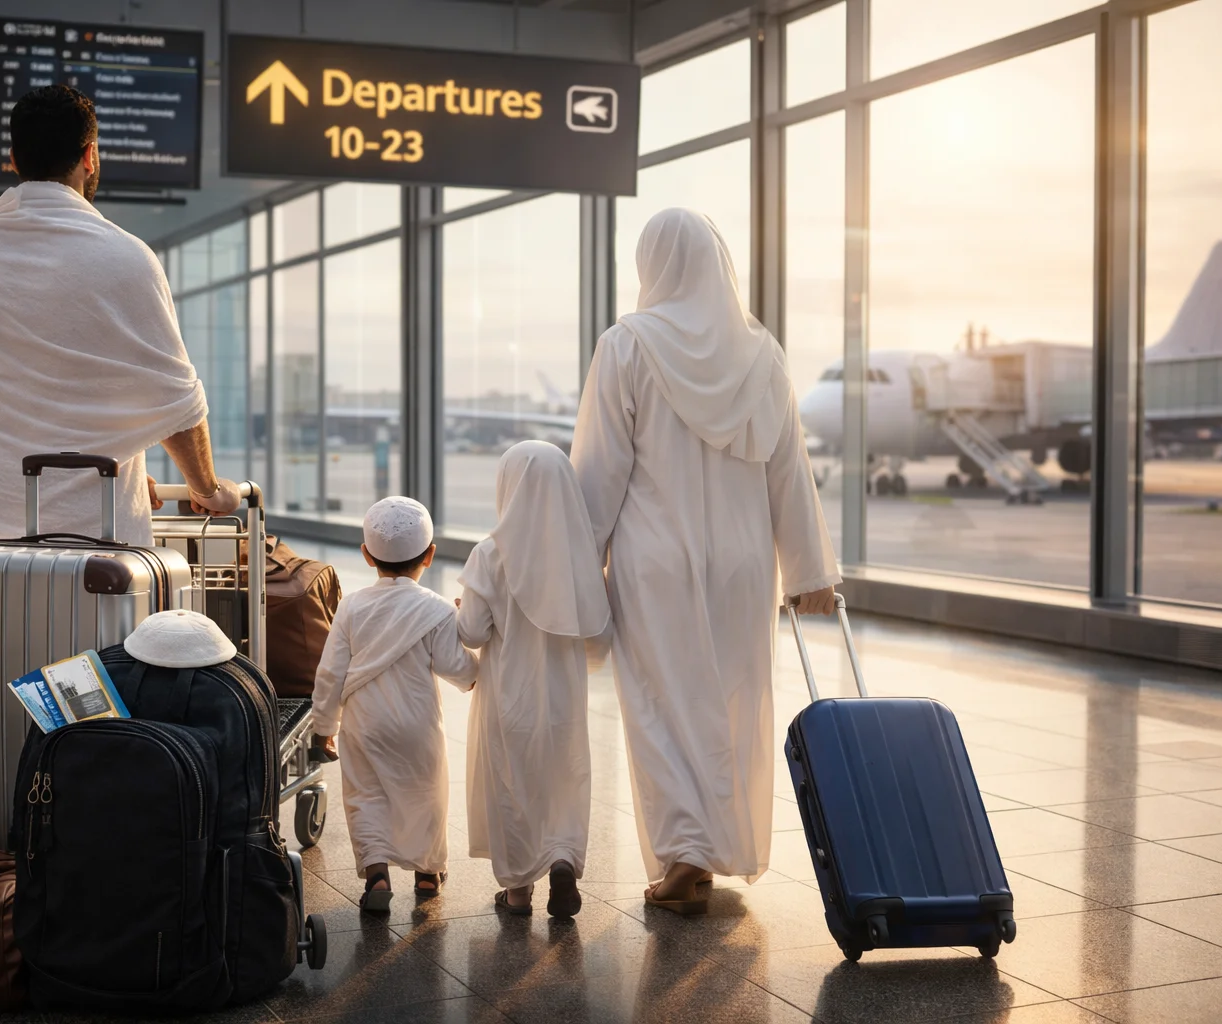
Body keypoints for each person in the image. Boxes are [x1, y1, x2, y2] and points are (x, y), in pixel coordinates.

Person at [0, 85, 239, 671]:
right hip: (99, 544)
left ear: (13, 160)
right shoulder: (125, 256)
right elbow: (176, 402)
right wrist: (208, 488)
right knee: (95, 693)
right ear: (90, 155)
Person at [571, 208, 841, 915]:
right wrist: (810, 570)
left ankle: (683, 853)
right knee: (735, 701)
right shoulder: (764, 353)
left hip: (655, 558)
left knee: (662, 702)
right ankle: (722, 844)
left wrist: (576, 568)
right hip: (747, 562)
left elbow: (600, 471)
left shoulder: (626, 344)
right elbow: (790, 472)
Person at [457, 440, 611, 919]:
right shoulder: (581, 555)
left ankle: (518, 893)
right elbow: (598, 637)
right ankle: (563, 858)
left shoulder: (489, 553)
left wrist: (463, 609)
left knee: (513, 784)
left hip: (510, 697)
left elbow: (472, 631)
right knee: (564, 776)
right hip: (564, 695)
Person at [310, 496, 478, 913]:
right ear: (431, 555)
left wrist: (324, 726)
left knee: (366, 795)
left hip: (364, 723)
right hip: (418, 723)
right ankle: (426, 874)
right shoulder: (436, 609)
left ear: (366, 556)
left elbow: (330, 672)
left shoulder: (351, 606)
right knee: (425, 793)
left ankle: (377, 871)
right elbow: (460, 671)